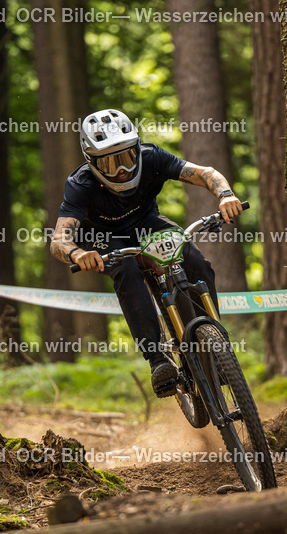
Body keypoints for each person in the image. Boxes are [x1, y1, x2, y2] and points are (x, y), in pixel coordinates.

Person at [50, 108, 244, 397]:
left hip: (148, 224)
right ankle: (157, 360)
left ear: (138, 149)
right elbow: (58, 240)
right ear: (92, 162)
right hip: (106, 238)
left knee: (196, 261)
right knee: (127, 271)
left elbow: (205, 174)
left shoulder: (152, 157)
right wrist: (77, 253)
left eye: (127, 157)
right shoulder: (80, 184)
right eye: (110, 162)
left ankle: (216, 343)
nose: (121, 170)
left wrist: (226, 195)